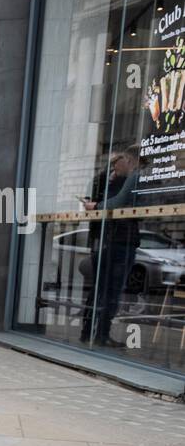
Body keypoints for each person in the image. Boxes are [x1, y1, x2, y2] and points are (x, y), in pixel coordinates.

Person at [80, 147, 142, 348]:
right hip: (117, 241)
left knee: (102, 289)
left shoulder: (113, 182)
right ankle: (98, 334)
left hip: (109, 240)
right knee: (110, 290)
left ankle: (90, 332)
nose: (115, 170)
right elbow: (118, 204)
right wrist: (97, 206)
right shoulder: (123, 181)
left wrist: (96, 205)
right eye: (114, 166)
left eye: (119, 164)